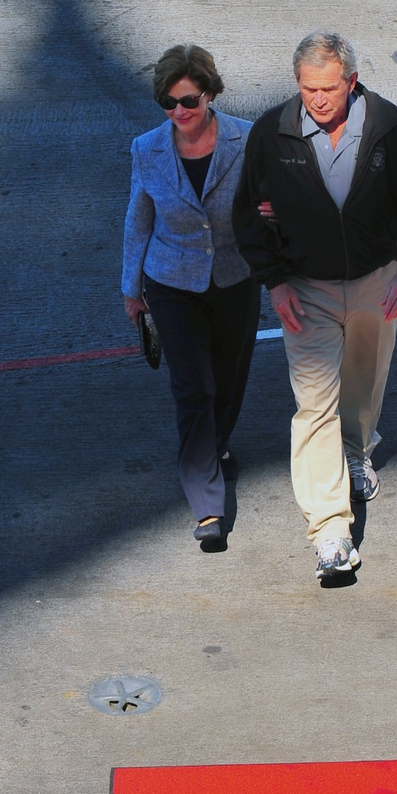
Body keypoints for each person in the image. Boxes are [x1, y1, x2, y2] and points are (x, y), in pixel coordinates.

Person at [233, 32, 397, 579]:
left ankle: (356, 450)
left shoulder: (387, 126)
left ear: (351, 82)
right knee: (313, 405)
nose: (319, 100)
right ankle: (329, 530)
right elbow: (247, 216)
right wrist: (275, 283)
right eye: (309, 89)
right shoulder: (271, 133)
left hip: (378, 281)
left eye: (329, 88)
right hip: (306, 288)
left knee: (365, 379)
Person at [122, 44, 259, 544]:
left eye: (190, 101)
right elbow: (138, 219)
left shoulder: (246, 139)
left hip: (235, 277)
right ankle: (207, 504)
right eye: (169, 102)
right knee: (193, 387)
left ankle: (216, 444)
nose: (180, 112)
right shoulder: (147, 148)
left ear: (210, 94)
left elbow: (267, 200)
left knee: (228, 379)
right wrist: (131, 287)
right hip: (171, 282)